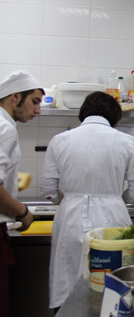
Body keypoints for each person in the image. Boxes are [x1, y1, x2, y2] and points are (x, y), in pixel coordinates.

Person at [40, 91, 134, 310]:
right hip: (112, 217)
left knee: (69, 280)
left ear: (83, 113)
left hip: (70, 217)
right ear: (115, 116)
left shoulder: (60, 140)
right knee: (113, 283)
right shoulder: (126, 141)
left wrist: (65, 200)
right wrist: (118, 199)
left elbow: (48, 189)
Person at [0, 70, 44, 317]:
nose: (38, 110)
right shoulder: (5, 128)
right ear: (15, 97)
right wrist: (22, 211)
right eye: (34, 102)